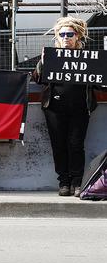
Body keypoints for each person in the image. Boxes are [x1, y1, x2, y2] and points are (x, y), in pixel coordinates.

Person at [32, 17, 102, 197]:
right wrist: (42, 62)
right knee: (59, 145)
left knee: (76, 144)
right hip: (54, 108)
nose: (65, 38)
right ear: (57, 36)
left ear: (77, 36)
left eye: (69, 34)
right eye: (61, 34)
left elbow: (99, 83)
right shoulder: (51, 56)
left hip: (80, 108)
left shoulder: (88, 57)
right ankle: (64, 181)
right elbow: (37, 78)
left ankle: (77, 181)